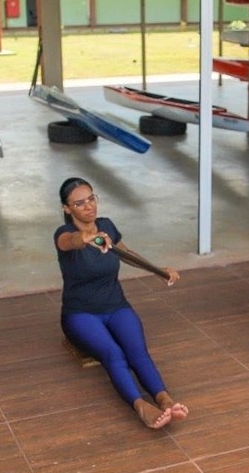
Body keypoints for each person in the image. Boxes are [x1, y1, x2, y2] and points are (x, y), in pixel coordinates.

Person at [54, 177, 188, 429]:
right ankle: (140, 406)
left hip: (115, 305)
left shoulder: (106, 226)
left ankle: (165, 399)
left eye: (91, 198)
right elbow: (71, 242)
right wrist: (87, 238)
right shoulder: (63, 234)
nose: (88, 206)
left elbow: (126, 255)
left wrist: (158, 270)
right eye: (79, 203)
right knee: (113, 353)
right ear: (67, 209)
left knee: (137, 350)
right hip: (81, 314)